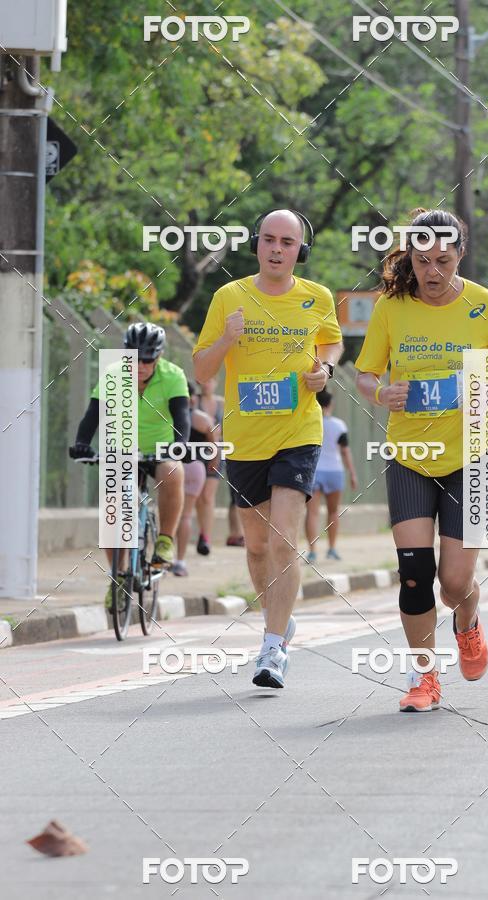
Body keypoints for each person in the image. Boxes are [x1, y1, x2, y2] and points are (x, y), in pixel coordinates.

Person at [355, 208, 488, 713]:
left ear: (460, 255)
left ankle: (468, 622)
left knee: (454, 585)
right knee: (414, 572)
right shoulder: (392, 307)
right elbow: (365, 374)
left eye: (444, 260)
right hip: (410, 453)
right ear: (409, 256)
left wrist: (484, 386)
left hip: (472, 455)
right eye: (423, 260)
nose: (433, 272)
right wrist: (381, 392)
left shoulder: (486, 304)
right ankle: (424, 677)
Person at [193, 208, 343, 689]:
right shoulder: (228, 297)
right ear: (257, 244)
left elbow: (332, 345)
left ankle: (274, 649)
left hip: (298, 432)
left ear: (301, 249)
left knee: (282, 541)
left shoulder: (316, 297)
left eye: (288, 242)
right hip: (245, 439)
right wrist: (227, 339)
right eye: (269, 240)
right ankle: (277, 622)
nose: (277, 249)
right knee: (256, 548)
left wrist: (325, 370)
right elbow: (201, 371)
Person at [70, 323, 190, 604]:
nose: (141, 365)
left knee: (172, 470)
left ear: (158, 357)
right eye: (135, 358)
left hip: (159, 449)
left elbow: (182, 415)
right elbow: (93, 414)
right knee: (116, 503)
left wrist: (180, 444)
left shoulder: (173, 376)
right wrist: (82, 443)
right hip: (123, 450)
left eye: (147, 360)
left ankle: (165, 541)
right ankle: (118, 577)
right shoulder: (114, 375)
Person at [304, 390, 358, 562]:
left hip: (314, 471)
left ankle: (312, 551)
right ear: (330, 404)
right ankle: (332, 549)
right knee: (333, 512)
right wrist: (352, 473)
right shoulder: (339, 425)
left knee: (312, 513)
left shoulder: (309, 422)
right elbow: (345, 451)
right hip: (335, 471)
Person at [195, 377, 245, 553]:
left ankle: (205, 537)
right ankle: (199, 531)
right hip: (196, 451)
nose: (207, 383)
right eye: (204, 381)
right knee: (197, 497)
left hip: (216, 453)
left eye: (210, 380)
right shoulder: (194, 401)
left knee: (208, 496)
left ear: (215, 382)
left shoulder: (222, 403)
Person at [171, 382, 212, 576]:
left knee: (169, 514)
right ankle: (180, 561)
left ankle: (164, 558)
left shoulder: (168, 416)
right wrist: (212, 465)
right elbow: (215, 444)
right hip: (196, 467)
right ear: (194, 398)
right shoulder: (203, 419)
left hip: (172, 466)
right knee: (186, 515)